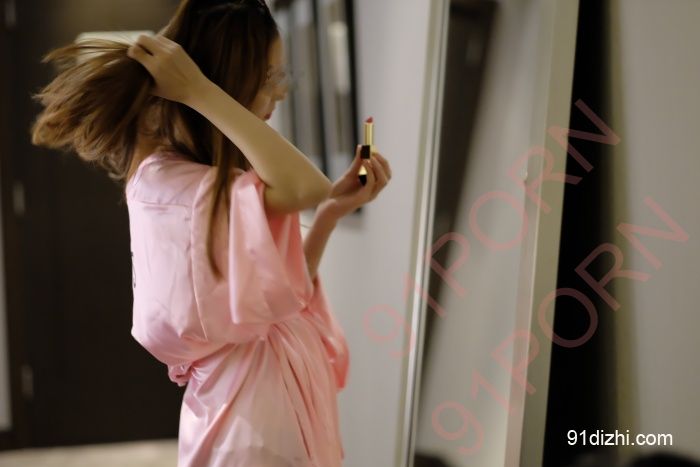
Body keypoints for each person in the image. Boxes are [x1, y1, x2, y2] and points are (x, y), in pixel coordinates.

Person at [30, 0, 391, 465]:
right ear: (225, 82)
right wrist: (199, 91)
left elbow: (279, 295)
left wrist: (329, 215)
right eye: (269, 78)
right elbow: (307, 187)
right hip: (252, 429)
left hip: (266, 413)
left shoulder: (203, 182)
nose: (280, 93)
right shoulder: (172, 187)